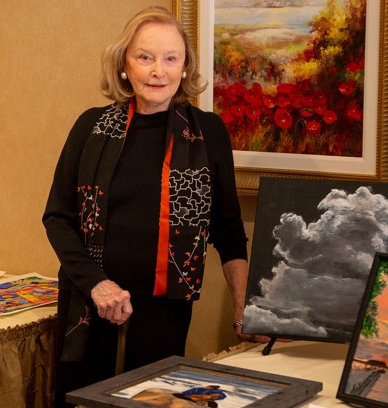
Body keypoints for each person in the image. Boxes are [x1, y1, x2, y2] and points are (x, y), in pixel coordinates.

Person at [42, 6, 267, 407]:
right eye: (145, 57)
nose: (157, 70)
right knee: (80, 401)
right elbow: (58, 218)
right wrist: (99, 285)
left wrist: (243, 309)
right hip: (90, 301)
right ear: (125, 65)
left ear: (184, 68)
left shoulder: (208, 132)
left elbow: (230, 233)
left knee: (155, 403)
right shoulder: (91, 127)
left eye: (170, 58)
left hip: (165, 310)